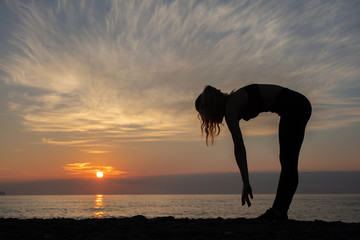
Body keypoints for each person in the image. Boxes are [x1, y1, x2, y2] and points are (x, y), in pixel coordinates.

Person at [195, 84, 312, 220]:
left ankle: (278, 212)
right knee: (288, 161)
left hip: (295, 107)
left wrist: (245, 182)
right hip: (297, 105)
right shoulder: (234, 102)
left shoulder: (231, 109)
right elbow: (239, 148)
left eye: (204, 115)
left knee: (288, 162)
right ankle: (280, 211)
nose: (208, 119)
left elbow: (239, 148)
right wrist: (245, 180)